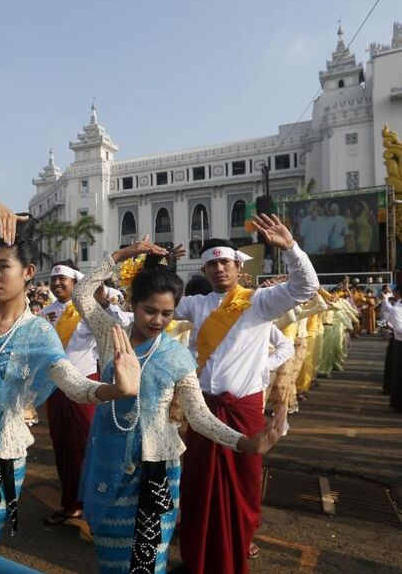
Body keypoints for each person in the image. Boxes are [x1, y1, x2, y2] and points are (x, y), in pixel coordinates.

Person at [0, 202, 141, 574]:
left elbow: (72, 384)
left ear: (27, 272)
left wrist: (113, 390)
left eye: (3, 266)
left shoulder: (37, 331)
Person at [77, 245, 284, 574]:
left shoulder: (176, 357)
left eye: (167, 313)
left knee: (148, 558)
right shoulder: (110, 335)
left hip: (156, 468)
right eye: (149, 311)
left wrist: (244, 443)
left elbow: (200, 416)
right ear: (131, 303)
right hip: (109, 458)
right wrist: (124, 253)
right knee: (110, 553)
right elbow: (82, 291)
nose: (158, 320)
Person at [173, 214, 318, 574]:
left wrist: (291, 249)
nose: (219, 268)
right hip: (204, 410)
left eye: (225, 262)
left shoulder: (259, 301)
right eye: (212, 264)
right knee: (198, 483)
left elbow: (305, 288)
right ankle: (197, 558)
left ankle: (237, 548)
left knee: (244, 483)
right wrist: (156, 264)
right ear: (205, 271)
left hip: (244, 409)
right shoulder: (195, 305)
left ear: (238, 266)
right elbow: (153, 301)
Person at [40, 260, 100, 526]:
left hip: (84, 386)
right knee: (62, 445)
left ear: (76, 282)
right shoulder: (46, 312)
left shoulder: (86, 310)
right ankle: (71, 502)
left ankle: (94, 504)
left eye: (62, 279)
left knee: (87, 445)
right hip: (56, 388)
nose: (56, 284)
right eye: (54, 280)